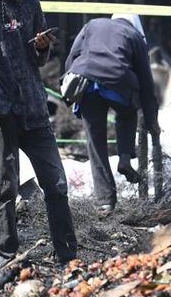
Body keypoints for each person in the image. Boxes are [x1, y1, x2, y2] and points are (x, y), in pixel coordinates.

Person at [0, 0, 78, 264]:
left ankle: (67, 255)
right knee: (7, 189)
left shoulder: (31, 5)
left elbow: (38, 58)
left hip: (34, 108)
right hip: (1, 116)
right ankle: (8, 257)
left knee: (57, 184)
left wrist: (42, 47)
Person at [64, 14, 158, 218]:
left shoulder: (92, 24)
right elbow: (146, 82)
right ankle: (125, 157)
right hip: (118, 83)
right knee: (126, 114)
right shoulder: (134, 36)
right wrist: (152, 121)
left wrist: (69, 88)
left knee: (95, 143)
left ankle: (105, 202)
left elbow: (72, 57)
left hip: (87, 83)